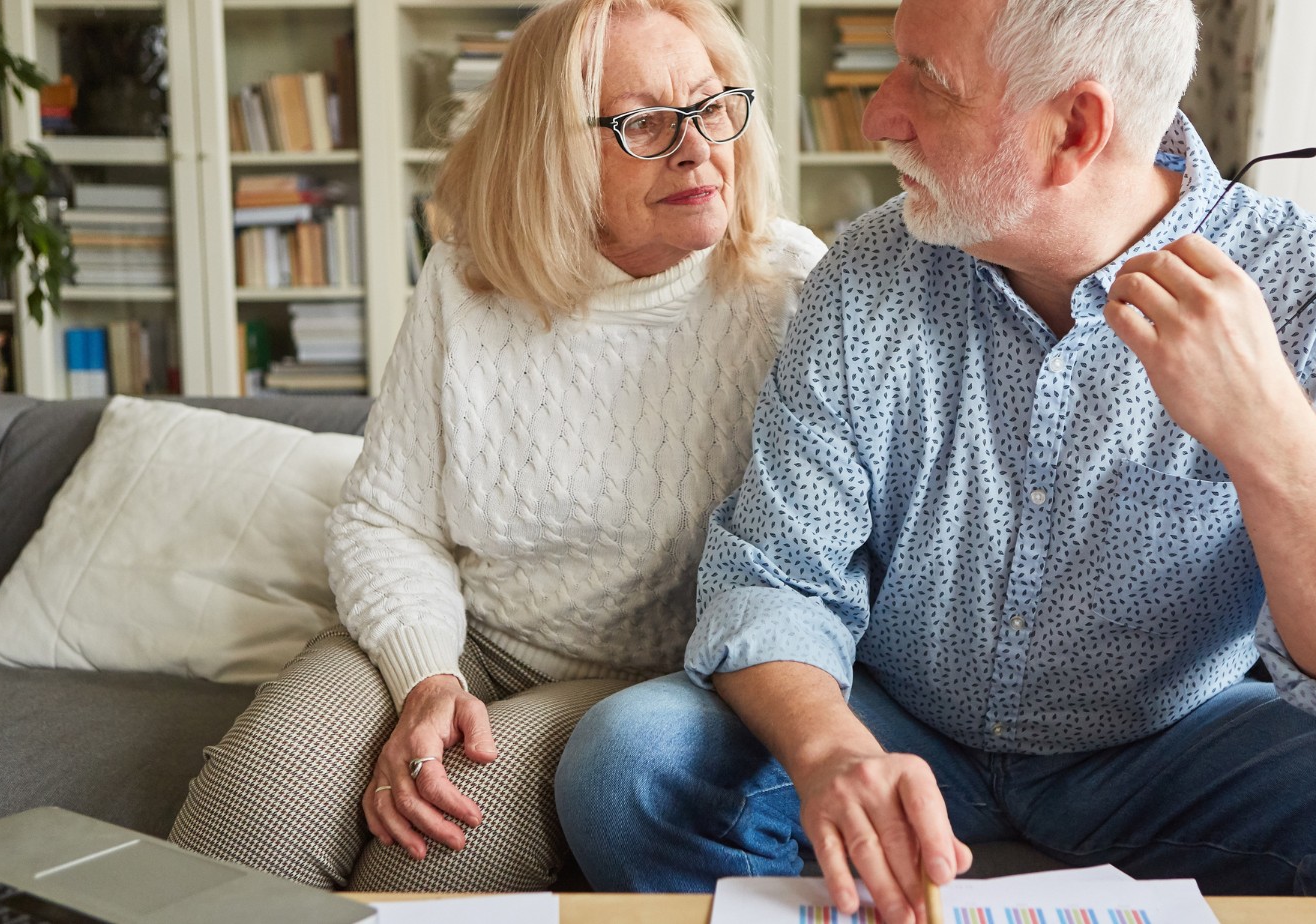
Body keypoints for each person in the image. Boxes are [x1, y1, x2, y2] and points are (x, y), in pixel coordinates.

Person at [554, 0, 1316, 921]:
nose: (878, 117)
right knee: (630, 765)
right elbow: (772, 576)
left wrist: (1268, 437)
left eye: (927, 83)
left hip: (1176, 746)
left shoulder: (1314, 293)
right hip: (902, 723)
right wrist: (831, 755)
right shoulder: (865, 275)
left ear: (1073, 129)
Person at [167, 0, 824, 893]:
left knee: (427, 850)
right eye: (642, 124)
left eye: (713, 107)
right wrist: (427, 679)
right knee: (255, 810)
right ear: (550, 147)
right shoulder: (468, 278)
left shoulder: (790, 289)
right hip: (467, 636)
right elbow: (386, 518)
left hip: (641, 685)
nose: (698, 148)